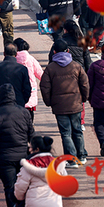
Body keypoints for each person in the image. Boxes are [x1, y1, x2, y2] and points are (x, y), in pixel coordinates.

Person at [40, 39, 90, 167]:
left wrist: (49, 102)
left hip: (59, 106)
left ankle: (71, 159)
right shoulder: (76, 66)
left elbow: (44, 87)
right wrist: (83, 98)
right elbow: (85, 84)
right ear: (68, 51)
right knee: (77, 130)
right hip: (75, 104)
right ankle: (82, 156)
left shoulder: (50, 68)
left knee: (65, 133)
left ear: (54, 51)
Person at [0, 84, 34, 207]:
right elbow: (32, 134)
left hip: (4, 158)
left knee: (9, 187)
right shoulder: (24, 112)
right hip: (23, 156)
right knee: (24, 186)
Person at [13, 136, 66, 207]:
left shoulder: (28, 166)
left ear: (37, 149)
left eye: (30, 147)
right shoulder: (58, 166)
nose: (29, 149)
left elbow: (19, 190)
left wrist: (20, 199)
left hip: (34, 204)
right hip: (54, 203)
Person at [0, 43, 32, 108]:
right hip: (18, 101)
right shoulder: (22, 69)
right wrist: (23, 100)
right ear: (16, 54)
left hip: (1, 100)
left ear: (4, 53)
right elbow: (27, 88)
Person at [15, 38, 44, 121]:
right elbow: (40, 74)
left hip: (17, 88)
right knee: (29, 112)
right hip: (30, 87)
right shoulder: (31, 59)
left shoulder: (13, 59)